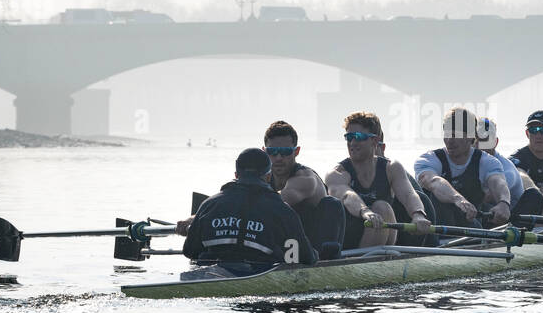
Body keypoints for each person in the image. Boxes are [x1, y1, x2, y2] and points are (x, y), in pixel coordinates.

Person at [179, 148, 316, 274]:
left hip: (210, 273)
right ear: (268, 177)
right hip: (260, 276)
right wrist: (316, 253)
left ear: (236, 174)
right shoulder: (282, 210)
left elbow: (190, 251)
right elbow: (305, 257)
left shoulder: (208, 204)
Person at [325, 111, 432, 248]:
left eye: (358, 137)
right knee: (379, 209)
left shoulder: (391, 168)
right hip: (351, 238)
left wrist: (418, 215)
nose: (352, 142)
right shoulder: (337, 173)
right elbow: (346, 195)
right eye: (349, 137)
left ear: (374, 140)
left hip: (385, 229)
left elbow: (408, 194)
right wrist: (365, 211)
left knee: (382, 207)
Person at [415, 107, 513, 228]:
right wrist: (457, 199)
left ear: (471, 137)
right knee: (439, 197)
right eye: (447, 134)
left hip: (468, 226)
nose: (449, 140)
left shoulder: (488, 162)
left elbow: (498, 182)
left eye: (456, 135)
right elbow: (434, 181)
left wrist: (504, 203)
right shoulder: (428, 159)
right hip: (432, 228)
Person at [262, 120, 345, 259]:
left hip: (317, 247)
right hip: (290, 246)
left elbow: (278, 200)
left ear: (296, 151)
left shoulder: (305, 179)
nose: (278, 158)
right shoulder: (263, 178)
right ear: (264, 151)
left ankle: (326, 261)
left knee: (332, 204)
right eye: (272, 151)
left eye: (285, 152)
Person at [475, 116, 543, 217]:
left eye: (485, 140)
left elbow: (485, 198)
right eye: (476, 140)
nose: (479, 146)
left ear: (495, 142)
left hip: (509, 220)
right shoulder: (468, 161)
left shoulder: (507, 170)